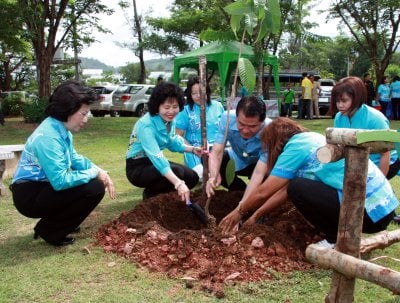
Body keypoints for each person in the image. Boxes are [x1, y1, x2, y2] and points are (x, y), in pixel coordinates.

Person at [219, 117, 398, 247]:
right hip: (383, 210)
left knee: (299, 187)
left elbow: (264, 191)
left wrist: (239, 212)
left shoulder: (296, 147)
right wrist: (255, 216)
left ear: (275, 142)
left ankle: (332, 240)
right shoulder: (310, 139)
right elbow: (284, 192)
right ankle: (335, 235)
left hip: (366, 213)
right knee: (297, 187)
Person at [9, 80, 115, 247]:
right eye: (83, 113)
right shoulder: (48, 137)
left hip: (41, 188)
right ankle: (50, 231)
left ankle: (55, 225)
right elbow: (60, 181)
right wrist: (95, 174)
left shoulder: (59, 129)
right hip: (29, 194)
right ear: (68, 110)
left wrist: (99, 170)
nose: (86, 119)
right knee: (93, 188)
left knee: (93, 184)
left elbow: (74, 159)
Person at [125, 81, 202, 201]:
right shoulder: (146, 125)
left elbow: (172, 141)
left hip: (153, 163)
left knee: (192, 177)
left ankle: (165, 198)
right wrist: (178, 184)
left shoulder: (170, 120)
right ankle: (150, 196)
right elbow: (156, 157)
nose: (171, 111)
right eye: (166, 107)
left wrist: (192, 149)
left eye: (175, 107)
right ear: (157, 106)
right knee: (176, 173)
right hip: (138, 166)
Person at [331, 76, 400, 179]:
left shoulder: (375, 119)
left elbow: (386, 155)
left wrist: (380, 183)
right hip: (359, 161)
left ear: (357, 98)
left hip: (386, 162)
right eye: (337, 101)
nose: (340, 105)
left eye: (344, 101)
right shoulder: (339, 117)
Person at [206, 96, 272, 195]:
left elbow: (260, 171)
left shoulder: (270, 129)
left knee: (266, 186)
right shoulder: (227, 118)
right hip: (238, 159)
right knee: (209, 160)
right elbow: (216, 152)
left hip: (263, 165)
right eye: (241, 124)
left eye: (252, 126)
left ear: (262, 122)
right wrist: (213, 176)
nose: (245, 131)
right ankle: (239, 191)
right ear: (236, 117)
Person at [175, 76, 224, 180]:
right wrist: (192, 149)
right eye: (194, 93)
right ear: (189, 95)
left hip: (217, 150)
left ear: (207, 91)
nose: (198, 96)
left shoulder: (218, 106)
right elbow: (178, 136)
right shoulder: (185, 111)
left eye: (201, 91)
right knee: (202, 176)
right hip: (196, 151)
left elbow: (224, 130)